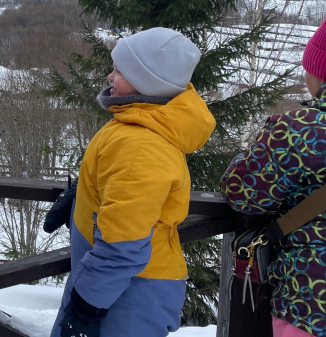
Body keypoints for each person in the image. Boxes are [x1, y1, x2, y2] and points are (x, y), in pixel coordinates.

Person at [51, 28, 216, 337]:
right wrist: (81, 198)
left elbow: (122, 244)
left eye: (119, 70)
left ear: (148, 82)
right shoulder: (136, 121)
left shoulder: (141, 145)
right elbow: (123, 192)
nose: (110, 76)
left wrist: (85, 307)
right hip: (112, 286)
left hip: (124, 295)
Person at [221, 6, 326, 337]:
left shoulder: (305, 129)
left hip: (318, 304)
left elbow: (242, 192)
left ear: (323, 73)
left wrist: (243, 156)